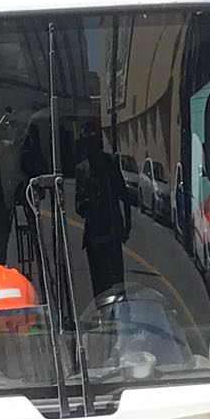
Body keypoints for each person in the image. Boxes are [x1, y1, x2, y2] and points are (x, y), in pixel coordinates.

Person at [73, 121, 133, 302]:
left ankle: (122, 317)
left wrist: (127, 226)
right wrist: (89, 199)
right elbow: (79, 207)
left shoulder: (110, 163)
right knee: (99, 286)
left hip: (112, 234)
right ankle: (102, 318)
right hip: (94, 238)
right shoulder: (82, 170)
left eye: (92, 142)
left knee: (118, 284)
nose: (90, 147)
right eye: (87, 143)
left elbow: (124, 194)